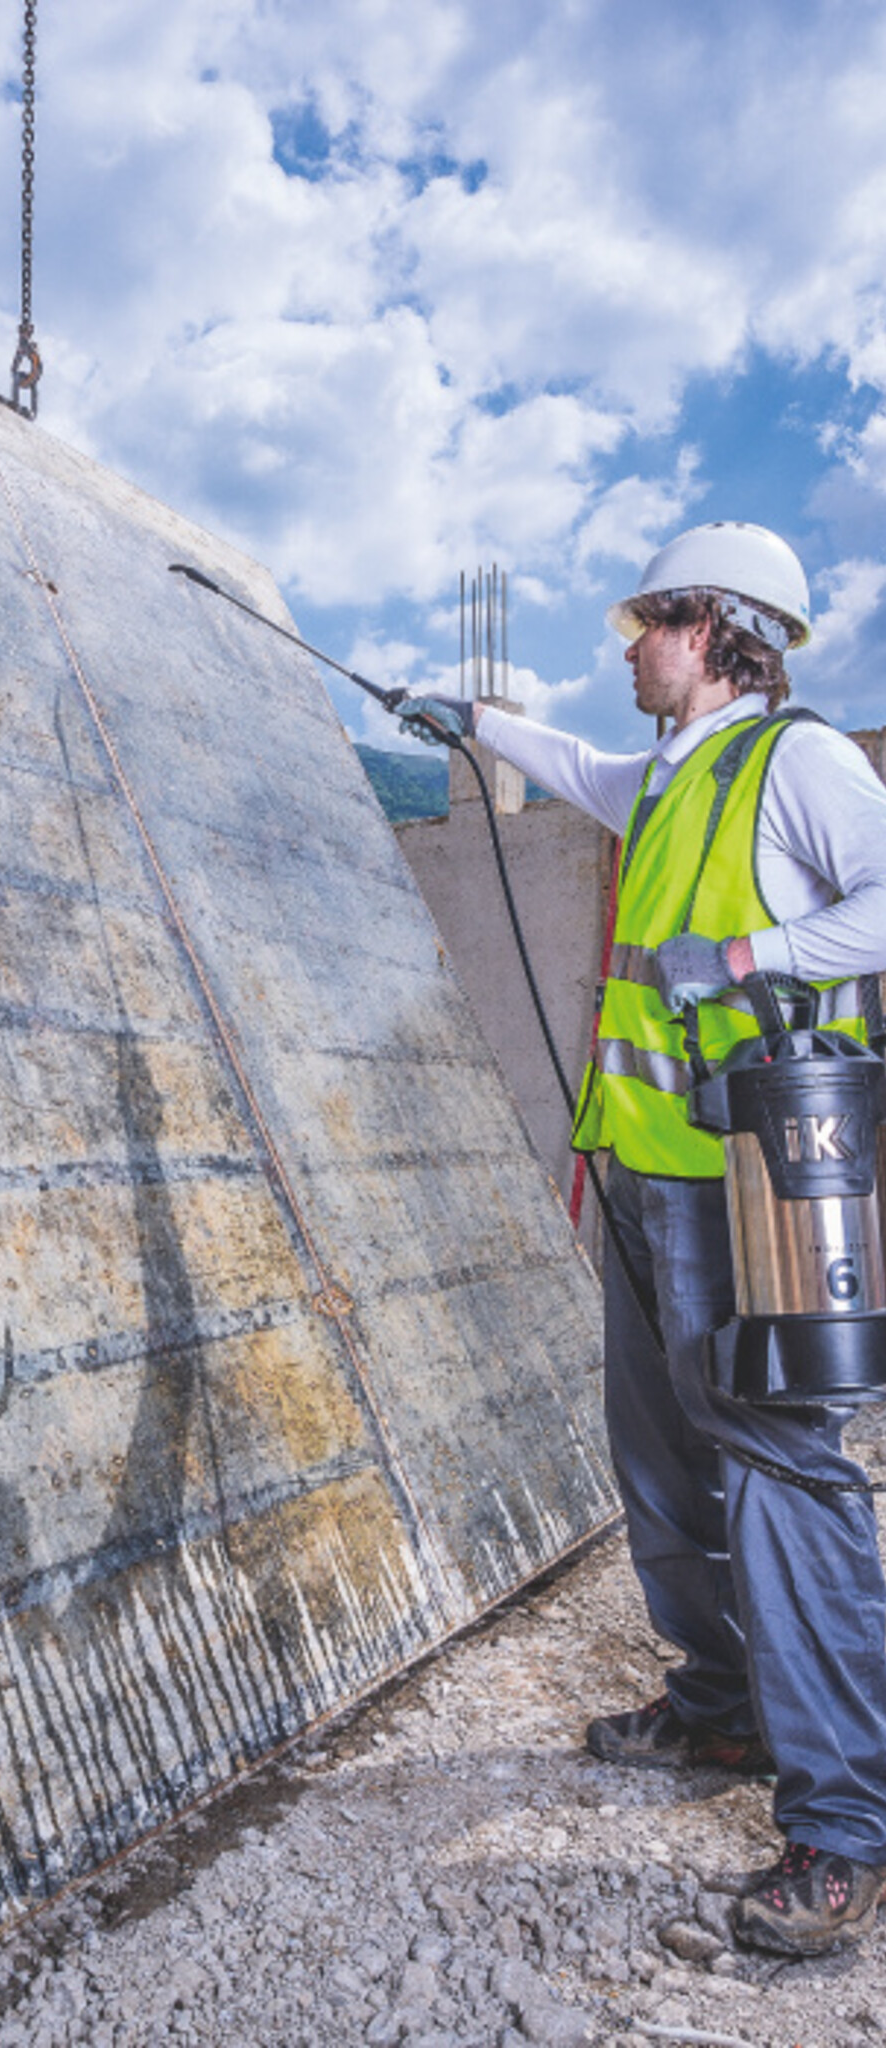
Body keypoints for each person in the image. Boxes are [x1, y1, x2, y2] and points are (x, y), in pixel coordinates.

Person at [401, 521, 886, 1957]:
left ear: (718, 628)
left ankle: (846, 1827)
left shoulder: (798, 764)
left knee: (785, 1473)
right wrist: (469, 722)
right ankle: (722, 1710)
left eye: (646, 625)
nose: (626, 646)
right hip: (645, 1174)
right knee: (662, 1455)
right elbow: (573, 766)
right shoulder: (668, 778)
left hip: (758, 1189)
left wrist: (749, 957)